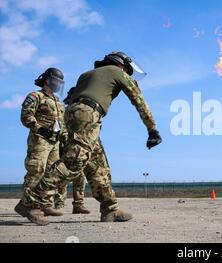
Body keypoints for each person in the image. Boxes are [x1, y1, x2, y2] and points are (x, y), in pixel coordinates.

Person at [15, 52, 162, 225]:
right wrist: (152, 129)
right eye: (126, 69)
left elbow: (70, 101)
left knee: (98, 165)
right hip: (88, 115)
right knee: (73, 162)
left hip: (73, 115)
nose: (126, 72)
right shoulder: (117, 72)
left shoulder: (85, 75)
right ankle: (30, 201)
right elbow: (138, 99)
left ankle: (110, 209)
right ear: (120, 64)